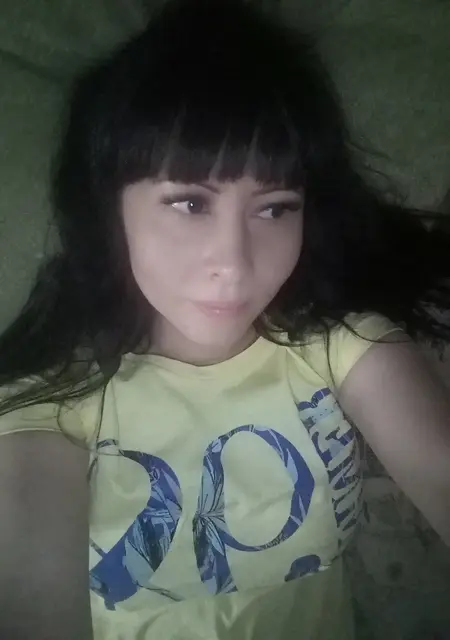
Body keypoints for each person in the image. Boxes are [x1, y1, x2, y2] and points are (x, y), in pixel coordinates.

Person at [0, 0, 449, 638]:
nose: (235, 265)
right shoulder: (49, 404)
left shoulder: (338, 347)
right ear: (110, 209)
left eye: (274, 208)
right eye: (190, 203)